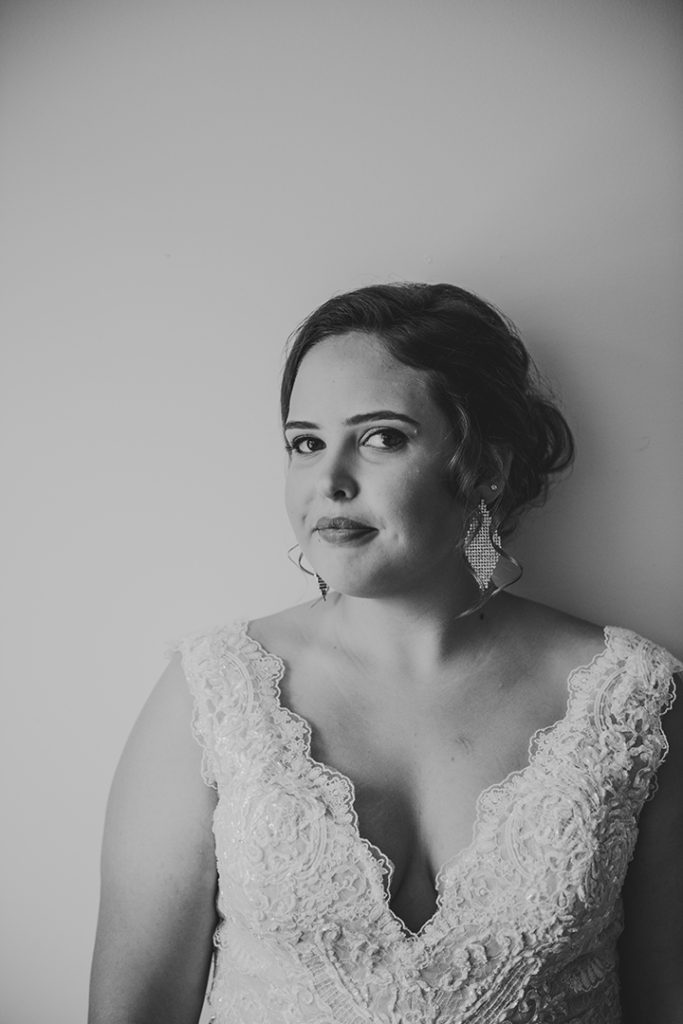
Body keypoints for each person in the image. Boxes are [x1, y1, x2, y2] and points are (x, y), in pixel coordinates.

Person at [88, 283, 683, 1024]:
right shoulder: (214, 693)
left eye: (380, 438)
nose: (329, 481)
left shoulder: (629, 699)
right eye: (305, 443)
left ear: (483, 467)